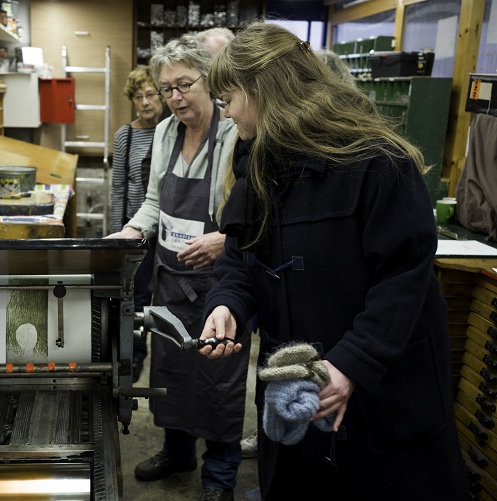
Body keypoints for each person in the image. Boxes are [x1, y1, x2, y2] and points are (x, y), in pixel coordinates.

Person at [198, 22, 468, 501]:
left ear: (266, 90)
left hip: (379, 396)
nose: (225, 115)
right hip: (297, 395)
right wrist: (228, 304)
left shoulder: (378, 161)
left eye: (228, 99)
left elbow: (403, 280)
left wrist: (349, 365)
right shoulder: (259, 162)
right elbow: (239, 257)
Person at [107, 34, 245, 501]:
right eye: (167, 89)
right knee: (172, 373)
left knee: (219, 380)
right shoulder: (166, 132)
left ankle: (220, 478)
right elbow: (152, 203)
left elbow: (259, 211)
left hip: (220, 283)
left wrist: (226, 240)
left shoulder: (237, 132)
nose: (174, 97)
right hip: (170, 280)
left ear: (210, 80)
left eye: (183, 85)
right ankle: (177, 451)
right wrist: (130, 232)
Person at [110, 66, 163, 382]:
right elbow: (117, 187)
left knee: (168, 297)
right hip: (135, 231)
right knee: (135, 297)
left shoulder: (173, 131)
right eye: (138, 96)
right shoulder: (125, 135)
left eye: (151, 94)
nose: (145, 102)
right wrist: (119, 234)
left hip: (168, 232)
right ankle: (135, 359)